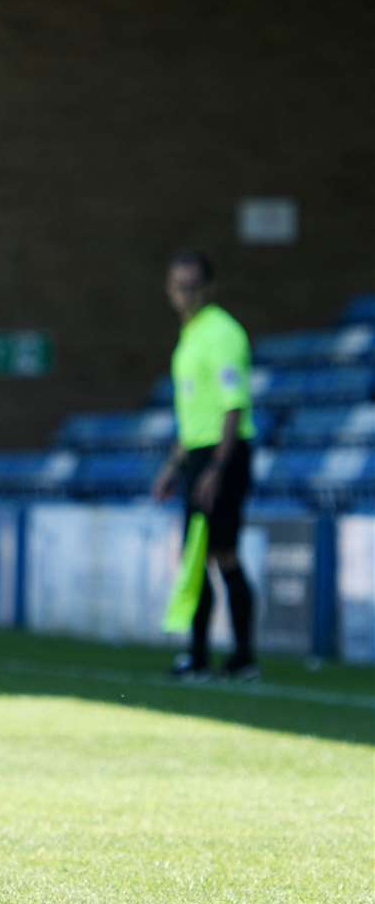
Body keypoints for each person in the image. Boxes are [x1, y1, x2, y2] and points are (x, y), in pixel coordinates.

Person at [151, 250, 259, 681]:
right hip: (199, 454)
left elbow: (233, 406)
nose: (185, 294)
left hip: (224, 455)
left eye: (193, 286)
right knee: (200, 557)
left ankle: (241, 657)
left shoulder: (222, 333)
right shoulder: (190, 335)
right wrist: (173, 467)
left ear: (209, 288)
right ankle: (201, 655)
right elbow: (195, 415)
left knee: (223, 555)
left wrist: (217, 467)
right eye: (179, 286)